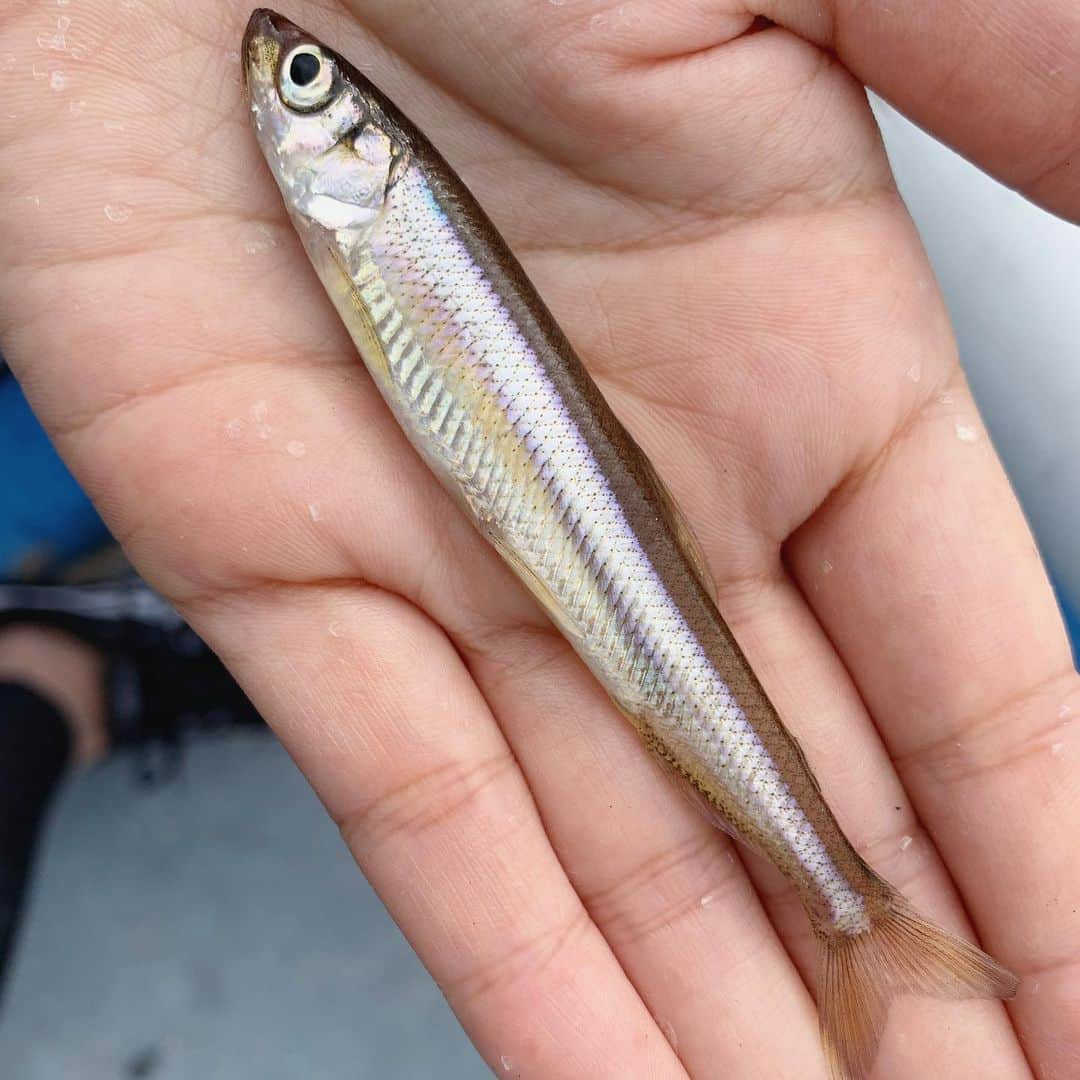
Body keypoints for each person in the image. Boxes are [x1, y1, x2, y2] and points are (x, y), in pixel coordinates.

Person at [1, 3, 1077, 1077]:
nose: (276, 86)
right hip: (583, 542)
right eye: (305, 84)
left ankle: (851, 903)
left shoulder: (379, 210)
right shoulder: (361, 213)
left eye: (305, 88)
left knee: (672, 679)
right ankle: (843, 902)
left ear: (361, 156)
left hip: (604, 559)